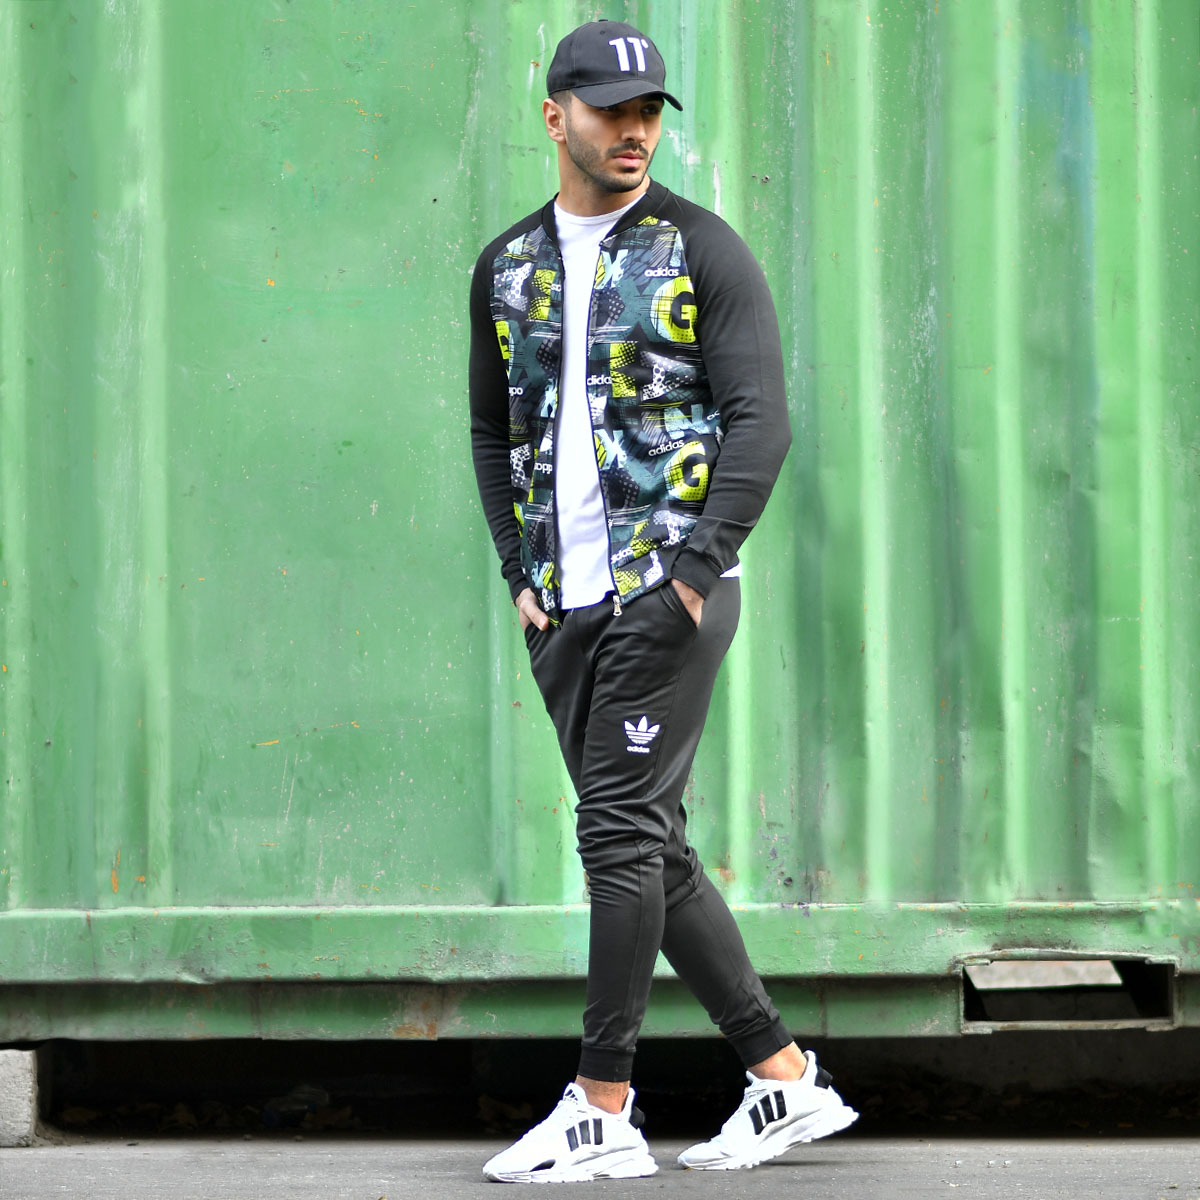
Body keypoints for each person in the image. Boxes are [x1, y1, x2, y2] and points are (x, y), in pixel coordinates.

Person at [468, 18, 857, 1182]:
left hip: (664, 593)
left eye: (648, 112)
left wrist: (691, 575)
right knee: (652, 845)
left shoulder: (701, 251)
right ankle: (785, 1079)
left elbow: (761, 424)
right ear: (556, 118)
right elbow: (492, 429)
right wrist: (521, 577)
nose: (633, 130)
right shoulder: (508, 266)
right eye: (609, 111)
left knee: (615, 836)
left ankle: (602, 1104)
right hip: (563, 604)